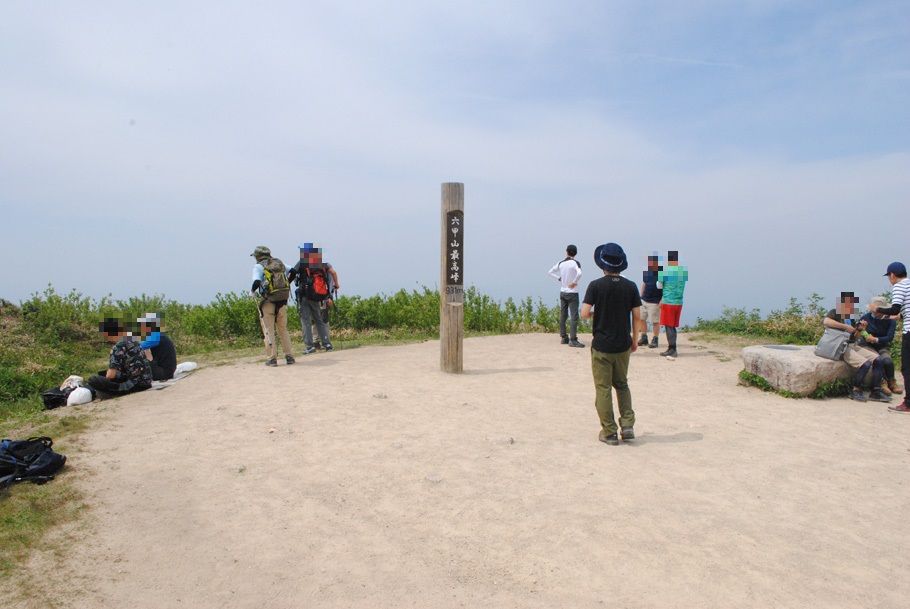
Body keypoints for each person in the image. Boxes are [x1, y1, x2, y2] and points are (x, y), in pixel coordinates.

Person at [581, 242, 642, 445]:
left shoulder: (596, 285)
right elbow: (636, 316)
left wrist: (598, 312)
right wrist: (634, 340)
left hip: (602, 345)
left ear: (602, 265)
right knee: (622, 384)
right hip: (623, 344)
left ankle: (609, 431)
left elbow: (584, 314)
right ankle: (627, 425)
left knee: (603, 388)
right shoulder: (631, 286)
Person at [823, 292, 889, 403]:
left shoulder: (852, 316)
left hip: (853, 344)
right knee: (865, 363)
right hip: (840, 345)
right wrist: (845, 326)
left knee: (878, 360)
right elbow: (826, 321)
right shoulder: (835, 312)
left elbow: (855, 336)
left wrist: (860, 329)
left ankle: (876, 391)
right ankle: (856, 390)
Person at [288, 243, 339, 354]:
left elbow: (292, 273)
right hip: (317, 296)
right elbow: (333, 272)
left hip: (305, 296)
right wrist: (336, 285)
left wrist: (287, 283)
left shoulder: (302, 262)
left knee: (306, 321)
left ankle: (309, 347)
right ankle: (327, 344)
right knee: (319, 320)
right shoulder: (321, 264)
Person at [250, 245, 295, 366]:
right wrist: (287, 284)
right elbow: (294, 271)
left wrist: (252, 291)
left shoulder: (259, 266)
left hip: (268, 301)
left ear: (257, 256)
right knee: (283, 330)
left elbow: (257, 282)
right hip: (282, 301)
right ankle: (289, 356)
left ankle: (272, 358)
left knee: (268, 330)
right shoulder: (279, 263)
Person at [88, 318, 153, 397]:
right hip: (147, 381)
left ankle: (113, 391)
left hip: (135, 385)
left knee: (93, 380)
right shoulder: (134, 340)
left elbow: (111, 375)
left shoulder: (118, 347)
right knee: (104, 373)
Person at [876, 262, 910, 412]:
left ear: (892, 275)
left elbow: (894, 308)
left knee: (906, 368)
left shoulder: (899, 286)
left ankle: (908, 403)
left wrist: (877, 309)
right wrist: (901, 316)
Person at [859, 297, 900, 396]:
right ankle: (882, 382)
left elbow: (889, 337)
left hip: (881, 345)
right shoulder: (865, 318)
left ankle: (891, 381)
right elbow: (860, 332)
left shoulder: (890, 320)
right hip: (867, 346)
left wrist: (876, 339)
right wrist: (863, 331)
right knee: (878, 360)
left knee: (887, 360)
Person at [548, 244, 584, 347]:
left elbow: (550, 272)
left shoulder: (561, 263)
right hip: (572, 293)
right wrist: (574, 282)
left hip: (563, 292)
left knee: (563, 315)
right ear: (575, 253)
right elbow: (579, 273)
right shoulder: (575, 263)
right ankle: (573, 339)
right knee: (574, 316)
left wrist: (559, 278)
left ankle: (564, 337)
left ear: (566, 252)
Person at [657, 250, 688, 359]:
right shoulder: (683, 272)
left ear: (669, 260)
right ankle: (672, 348)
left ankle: (672, 349)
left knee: (668, 326)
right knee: (673, 326)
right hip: (679, 302)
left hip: (668, 302)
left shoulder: (665, 272)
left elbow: (659, 286)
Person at [137, 313, 177, 381]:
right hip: (167, 372)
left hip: (164, 373)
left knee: (137, 363)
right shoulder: (160, 336)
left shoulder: (156, 337)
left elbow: (137, 347)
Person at [638, 253, 662, 349]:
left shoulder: (662, 273)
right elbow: (644, 283)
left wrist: (662, 300)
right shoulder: (647, 272)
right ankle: (644, 338)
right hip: (644, 300)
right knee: (641, 319)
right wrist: (640, 296)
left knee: (655, 321)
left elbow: (666, 287)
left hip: (655, 302)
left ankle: (655, 339)